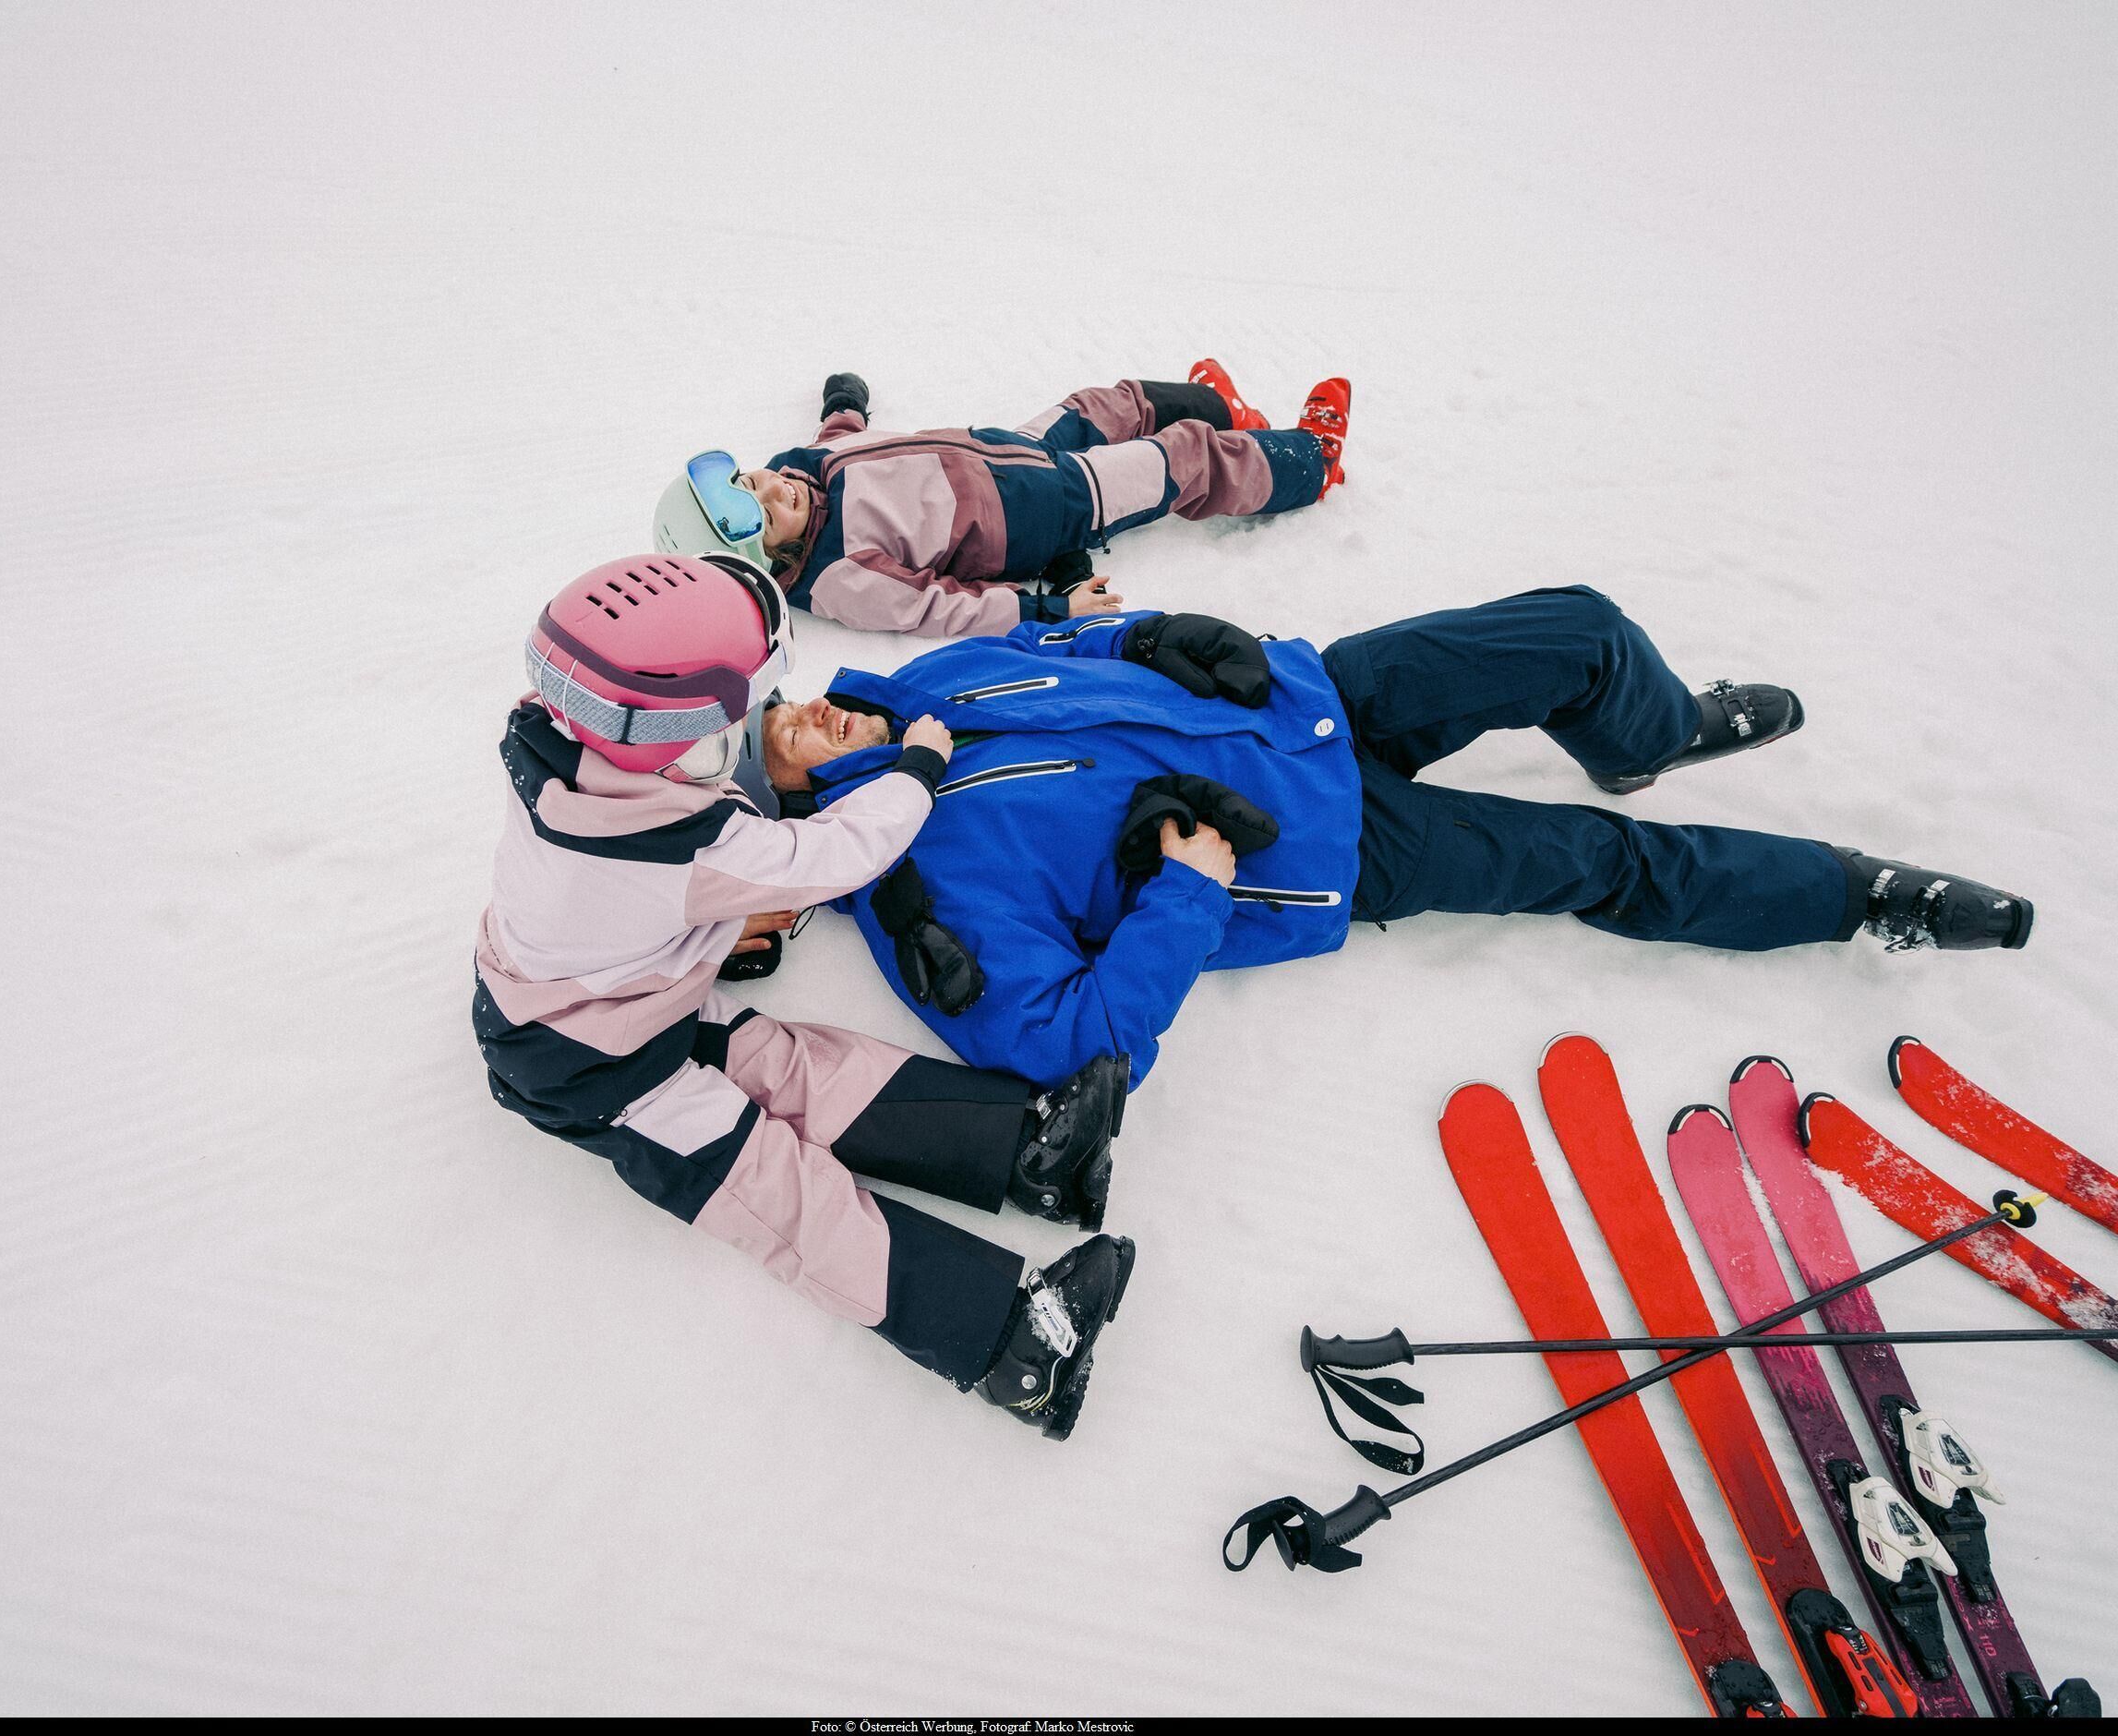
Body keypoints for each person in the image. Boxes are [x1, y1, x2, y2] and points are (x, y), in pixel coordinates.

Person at [760, 586, 2034, 1089]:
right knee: (1600, 863)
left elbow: (1058, 643)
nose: (804, 712)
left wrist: (1148, 638)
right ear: (796, 816)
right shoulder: (914, 886)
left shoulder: (925, 684)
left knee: (1577, 631)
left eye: (781, 703)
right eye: (785, 745)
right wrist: (1188, 894)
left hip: (1309, 698)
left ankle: (1647, 732)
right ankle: (1861, 896)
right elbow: (1066, 1041)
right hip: (1344, 848)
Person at [472, 551, 1136, 1438]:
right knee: (773, 1185)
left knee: (794, 1066)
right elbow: (835, 855)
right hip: (585, 1069)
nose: (754, 722)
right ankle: (1012, 1343)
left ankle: (1023, 1147)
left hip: (617, 1000)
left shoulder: (553, 741)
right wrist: (915, 770)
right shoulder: (681, 842)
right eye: (738, 713)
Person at [651, 361, 1352, 638]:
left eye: (752, 480)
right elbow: (937, 606)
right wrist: (1046, 607)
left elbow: (833, 440)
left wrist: (844, 405)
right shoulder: (836, 576)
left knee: (1107, 404)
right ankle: (1310, 464)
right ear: (770, 560)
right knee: (1180, 460)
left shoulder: (794, 471)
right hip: (1046, 512)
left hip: (1011, 450)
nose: (777, 487)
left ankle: (1228, 406)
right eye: (768, 512)